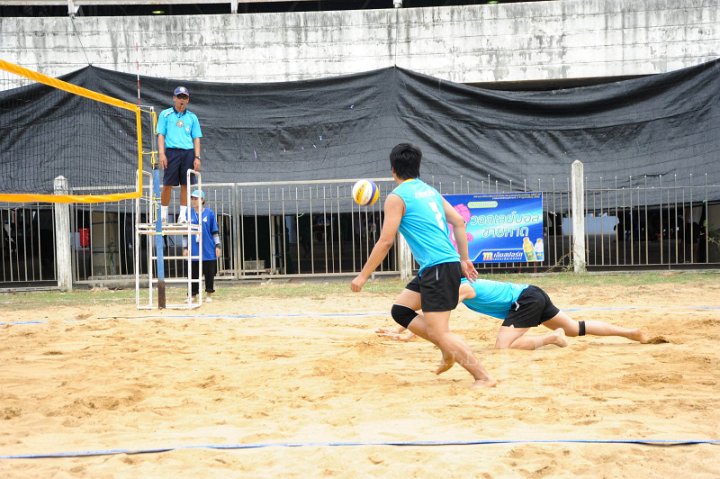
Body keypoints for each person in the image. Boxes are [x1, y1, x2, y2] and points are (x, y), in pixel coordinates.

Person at [351, 143, 496, 388]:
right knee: (400, 310)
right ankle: (447, 350)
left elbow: (386, 241)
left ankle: (483, 376)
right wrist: (464, 258)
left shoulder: (396, 198)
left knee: (441, 332)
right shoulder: (430, 192)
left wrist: (363, 276)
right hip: (439, 266)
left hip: (438, 268)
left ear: (393, 170)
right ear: (417, 168)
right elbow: (459, 222)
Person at [377, 278, 650, 349]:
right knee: (575, 328)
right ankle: (630, 333)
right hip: (533, 293)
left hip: (525, 300)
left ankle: (551, 339)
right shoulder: (461, 285)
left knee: (503, 346)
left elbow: (438, 311)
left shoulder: (464, 288)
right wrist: (401, 329)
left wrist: (408, 331)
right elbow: (431, 308)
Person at [156, 86, 203, 224]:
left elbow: (196, 138)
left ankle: (182, 216)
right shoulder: (165, 114)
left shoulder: (192, 117)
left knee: (185, 184)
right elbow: (161, 135)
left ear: (188, 100)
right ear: (174, 98)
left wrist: (197, 157)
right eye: (179, 97)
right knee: (167, 184)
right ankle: (163, 215)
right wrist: (162, 154)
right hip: (171, 152)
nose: (181, 100)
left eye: (184, 97)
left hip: (188, 152)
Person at [182, 189, 221, 302]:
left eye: (196, 198)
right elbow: (185, 233)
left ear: (202, 200)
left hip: (208, 249)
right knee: (193, 273)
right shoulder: (188, 213)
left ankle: (209, 295)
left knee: (209, 273)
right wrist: (185, 247)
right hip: (193, 248)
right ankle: (192, 295)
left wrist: (217, 246)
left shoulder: (209, 213)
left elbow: (214, 231)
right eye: (192, 198)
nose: (193, 201)